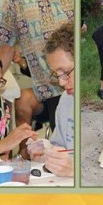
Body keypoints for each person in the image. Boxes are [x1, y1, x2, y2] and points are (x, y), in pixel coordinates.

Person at [0, 0, 74, 133]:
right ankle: (25, 151)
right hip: (51, 88)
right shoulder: (15, 1)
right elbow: (6, 49)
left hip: (72, 79)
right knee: (62, 136)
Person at [27, 22, 75, 177]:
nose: (61, 82)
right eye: (57, 74)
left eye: (66, 72)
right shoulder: (66, 100)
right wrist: (46, 153)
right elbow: (60, 146)